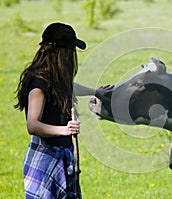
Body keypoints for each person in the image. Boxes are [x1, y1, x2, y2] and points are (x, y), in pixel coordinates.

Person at [14, 22, 112, 198]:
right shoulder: (38, 83)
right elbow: (32, 125)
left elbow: (68, 87)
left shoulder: (53, 77)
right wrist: (64, 130)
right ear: (62, 53)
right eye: (72, 51)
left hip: (61, 157)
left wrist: (96, 91)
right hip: (45, 159)